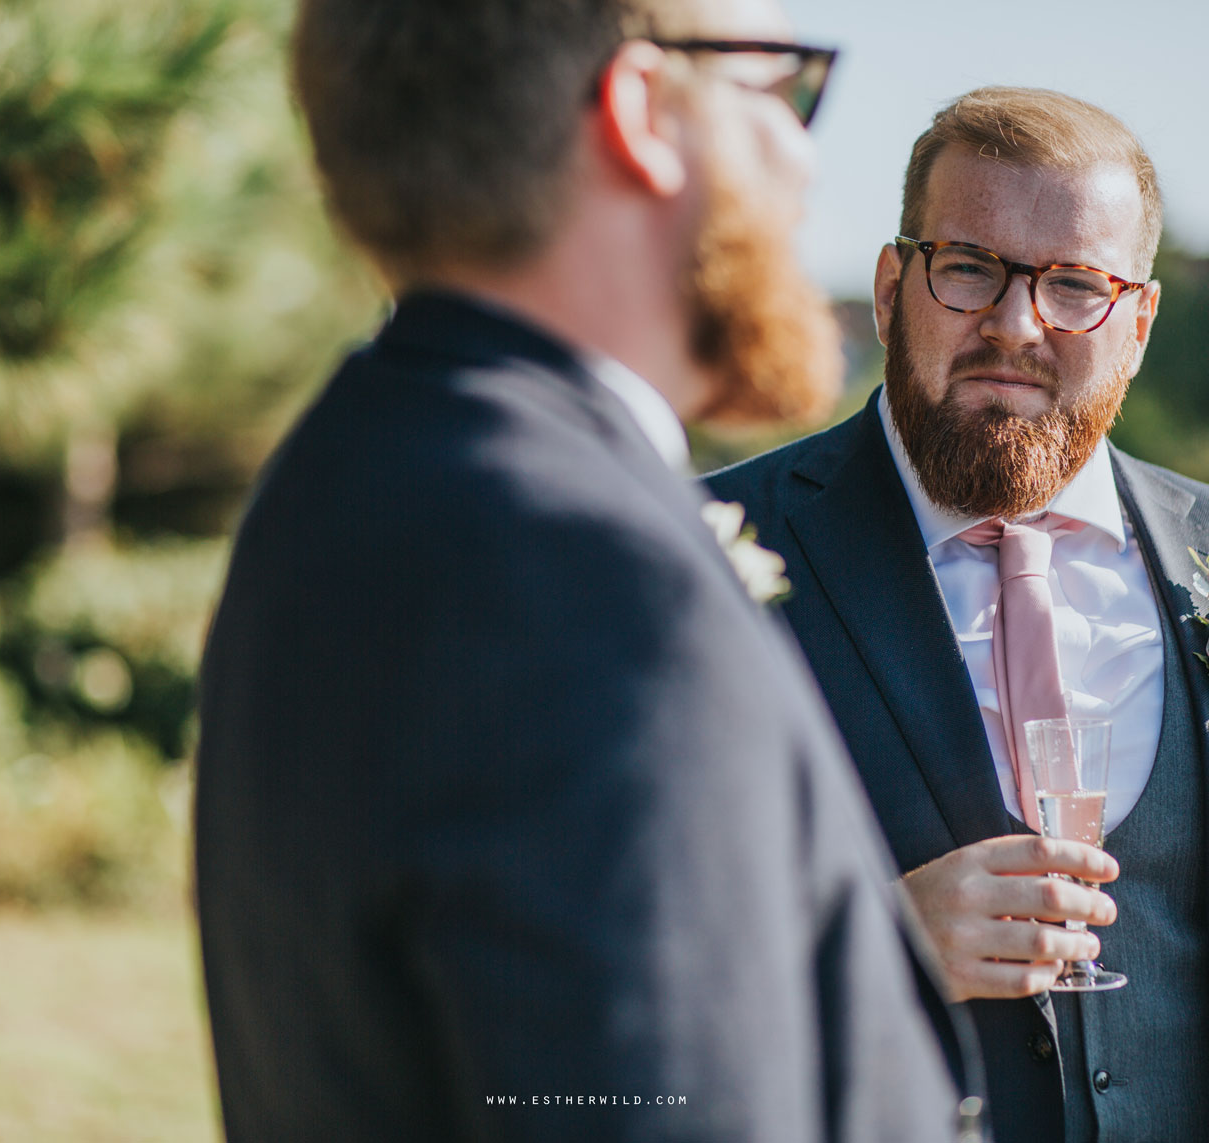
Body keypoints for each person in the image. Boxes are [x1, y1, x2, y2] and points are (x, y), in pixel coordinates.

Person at [192, 1, 978, 1140]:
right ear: (642, 110)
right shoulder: (585, 579)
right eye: (781, 90)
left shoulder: (347, 470)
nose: (806, 157)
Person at [709, 85, 1209, 1142]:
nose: (1014, 325)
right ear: (888, 289)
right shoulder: (710, 551)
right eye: (967, 268)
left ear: (1137, 323)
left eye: (1072, 286)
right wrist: (867, 941)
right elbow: (575, 954)